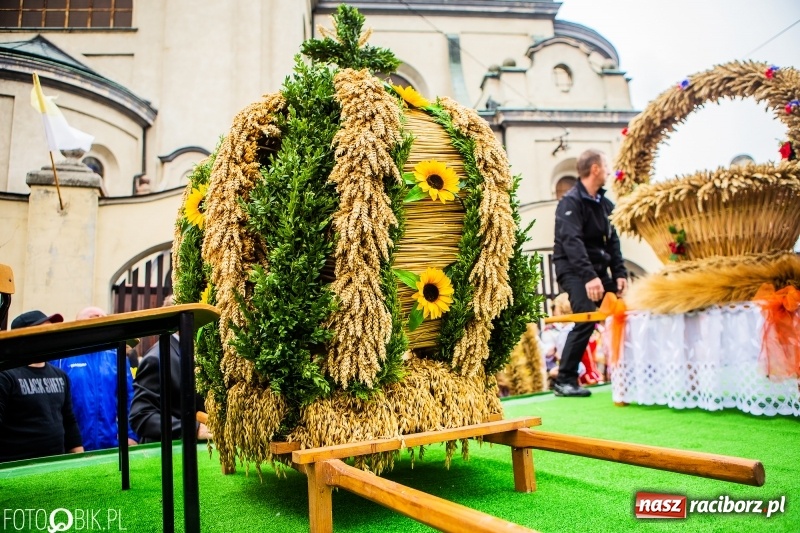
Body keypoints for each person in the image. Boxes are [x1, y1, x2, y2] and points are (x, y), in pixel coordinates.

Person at [551, 149, 627, 397]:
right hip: (573, 270)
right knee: (586, 317)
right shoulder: (570, 202)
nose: (608, 171)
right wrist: (588, 277)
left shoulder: (605, 205)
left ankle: (627, 371)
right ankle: (564, 380)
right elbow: (571, 242)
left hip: (598, 270)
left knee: (623, 310)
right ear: (595, 169)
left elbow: (613, 242)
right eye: (606, 166)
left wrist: (620, 274)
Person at [0, 310, 84, 461]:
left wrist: (80, 458)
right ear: (23, 335)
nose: (50, 335)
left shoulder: (60, 375)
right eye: (44, 330)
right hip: (15, 468)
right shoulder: (5, 375)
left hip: (56, 465)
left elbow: (69, 421)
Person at [52, 307, 138, 451]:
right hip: (73, 447)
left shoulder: (116, 356)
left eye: (102, 319)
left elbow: (128, 398)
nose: (98, 321)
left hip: (111, 445)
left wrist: (131, 435)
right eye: (92, 319)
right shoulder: (61, 357)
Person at [129, 298, 209, 443]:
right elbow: (141, 415)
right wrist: (193, 429)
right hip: (166, 454)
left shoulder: (193, 352)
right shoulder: (157, 358)